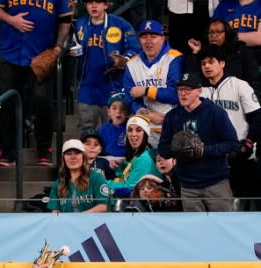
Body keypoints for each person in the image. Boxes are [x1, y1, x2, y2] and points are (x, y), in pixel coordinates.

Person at [0, 0, 72, 167]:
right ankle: (8, 151)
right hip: (10, 52)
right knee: (7, 102)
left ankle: (44, 150)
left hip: (41, 55)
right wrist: (12, 20)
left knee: (42, 100)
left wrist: (58, 47)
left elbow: (65, 21)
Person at [158, 71, 239, 211]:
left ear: (199, 91)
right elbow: (163, 149)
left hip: (216, 183)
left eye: (188, 90)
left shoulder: (215, 112)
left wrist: (203, 150)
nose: (183, 94)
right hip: (188, 185)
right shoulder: (172, 117)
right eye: (180, 90)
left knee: (224, 227)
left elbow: (232, 144)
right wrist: (178, 150)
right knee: (195, 231)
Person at [198, 44, 261, 209]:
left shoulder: (239, 85)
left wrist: (248, 143)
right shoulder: (199, 91)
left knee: (249, 206)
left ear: (222, 63)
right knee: (219, 209)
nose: (207, 66)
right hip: (211, 159)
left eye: (211, 61)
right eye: (203, 63)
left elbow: (257, 118)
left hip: (241, 156)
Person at [72, 0, 139, 133]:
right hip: (87, 86)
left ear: (106, 5)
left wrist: (125, 59)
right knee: (86, 130)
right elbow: (73, 44)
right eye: (90, 2)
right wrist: (73, 50)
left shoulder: (121, 24)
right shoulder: (80, 24)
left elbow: (135, 48)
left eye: (98, 2)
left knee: (113, 128)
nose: (94, 6)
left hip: (112, 86)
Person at [123, 20, 184, 147]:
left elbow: (177, 94)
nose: (148, 41)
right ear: (139, 40)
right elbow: (130, 99)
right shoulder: (132, 64)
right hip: (146, 127)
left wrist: (146, 90)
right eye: (144, 37)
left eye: (153, 36)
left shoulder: (175, 58)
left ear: (162, 38)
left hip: (174, 126)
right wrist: (148, 115)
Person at [186, 19, 261, 93]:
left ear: (227, 33)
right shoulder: (205, 52)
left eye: (218, 32)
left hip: (237, 96)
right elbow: (191, 78)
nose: (214, 35)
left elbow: (254, 80)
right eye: (210, 32)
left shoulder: (240, 50)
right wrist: (196, 52)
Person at [46, 138, 112, 212]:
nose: (73, 157)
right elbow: (55, 212)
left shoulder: (97, 178)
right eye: (68, 154)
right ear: (63, 158)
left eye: (77, 153)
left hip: (96, 223)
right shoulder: (57, 184)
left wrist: (80, 218)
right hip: (67, 223)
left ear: (83, 157)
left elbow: (104, 206)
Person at [108, 114, 162, 197]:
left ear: (145, 134)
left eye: (138, 130)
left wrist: (103, 182)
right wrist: (119, 166)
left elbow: (129, 188)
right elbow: (123, 177)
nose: (133, 134)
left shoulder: (144, 159)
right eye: (130, 130)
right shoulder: (135, 154)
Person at [98, 91, 130, 165]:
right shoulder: (102, 130)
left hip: (125, 162)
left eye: (123, 109)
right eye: (114, 108)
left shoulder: (131, 129)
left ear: (128, 112)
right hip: (106, 161)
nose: (118, 112)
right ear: (108, 111)